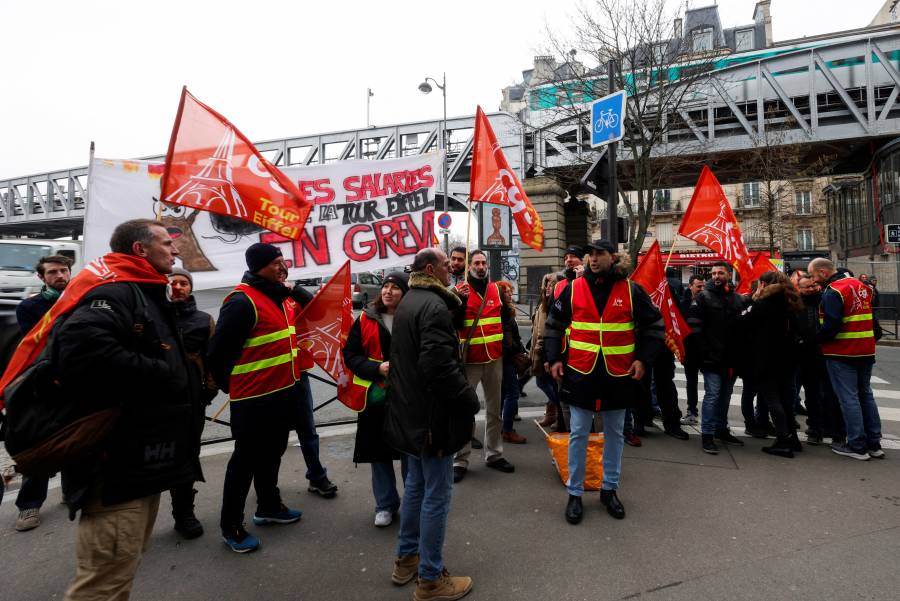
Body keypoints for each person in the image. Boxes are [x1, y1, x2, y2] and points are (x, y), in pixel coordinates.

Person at [56, 219, 197, 601]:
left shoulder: (140, 290)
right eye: (167, 243)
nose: (176, 250)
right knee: (103, 584)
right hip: (116, 469)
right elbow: (80, 351)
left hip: (139, 464)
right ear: (140, 250)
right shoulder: (115, 292)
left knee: (121, 569)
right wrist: (163, 373)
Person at [544, 240, 665, 525]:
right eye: (590, 254)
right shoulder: (573, 289)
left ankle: (609, 490)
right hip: (581, 373)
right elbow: (554, 324)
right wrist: (555, 357)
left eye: (599, 254)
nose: (593, 259)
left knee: (615, 436)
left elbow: (654, 326)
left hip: (618, 375)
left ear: (613, 257)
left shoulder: (632, 291)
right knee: (578, 435)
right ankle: (574, 494)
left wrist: (643, 360)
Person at [384, 247, 479, 601]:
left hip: (411, 413)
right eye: (444, 264)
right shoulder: (434, 305)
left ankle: (407, 560)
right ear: (430, 268)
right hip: (432, 418)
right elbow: (438, 368)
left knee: (416, 489)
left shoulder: (411, 300)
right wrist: (468, 401)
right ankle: (430, 579)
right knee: (436, 496)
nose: (449, 270)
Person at [208, 243, 314, 553]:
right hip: (253, 401)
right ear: (259, 267)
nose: (284, 268)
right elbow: (217, 354)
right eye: (277, 264)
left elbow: (313, 308)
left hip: (282, 394)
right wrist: (236, 387)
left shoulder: (277, 296)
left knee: (273, 454)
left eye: (284, 262)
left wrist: (290, 287)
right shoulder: (242, 302)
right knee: (244, 463)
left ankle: (268, 506)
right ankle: (232, 527)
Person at [342, 272, 410, 528]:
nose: (388, 291)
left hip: (406, 398)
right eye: (385, 286)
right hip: (376, 398)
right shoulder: (365, 318)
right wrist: (376, 368)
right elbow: (350, 355)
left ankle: (412, 501)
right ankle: (385, 505)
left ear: (405, 293)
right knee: (379, 454)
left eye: (395, 287)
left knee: (408, 452)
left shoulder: (412, 317)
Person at [12, 254, 72, 532]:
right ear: (42, 277)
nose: (60, 276)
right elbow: (39, 345)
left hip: (75, 379)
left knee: (77, 437)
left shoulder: (81, 298)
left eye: (64, 270)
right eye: (53, 272)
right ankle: (29, 505)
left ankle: (72, 492)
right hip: (45, 384)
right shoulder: (30, 306)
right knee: (41, 443)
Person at [808, 258, 883, 461]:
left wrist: (814, 340)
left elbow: (832, 325)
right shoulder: (861, 286)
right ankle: (874, 443)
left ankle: (857, 445)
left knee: (848, 398)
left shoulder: (834, 291)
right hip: (866, 350)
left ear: (823, 272)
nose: (814, 281)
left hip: (842, 351)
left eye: (814, 276)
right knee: (866, 395)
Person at [452, 249, 514, 482]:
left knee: (494, 409)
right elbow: (453, 322)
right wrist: (460, 303)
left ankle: (494, 454)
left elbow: (505, 317)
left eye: (483, 262)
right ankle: (460, 459)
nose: (480, 266)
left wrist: (507, 344)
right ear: (469, 267)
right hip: (470, 360)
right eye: (476, 263)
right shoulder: (459, 291)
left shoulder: (495, 289)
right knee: (464, 411)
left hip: (494, 357)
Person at [167, 267, 218, 538]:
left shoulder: (203, 319)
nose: (178, 286)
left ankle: (184, 513)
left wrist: (209, 389)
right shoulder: (152, 315)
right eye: (173, 282)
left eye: (183, 282)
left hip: (190, 400)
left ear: (191, 287)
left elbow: (213, 356)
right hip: (157, 399)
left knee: (187, 455)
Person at [737, 271, 804, 457]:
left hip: (767, 359)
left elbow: (741, 322)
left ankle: (783, 440)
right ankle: (793, 439)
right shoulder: (791, 301)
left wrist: (753, 299)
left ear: (763, 284)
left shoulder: (763, 304)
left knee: (773, 400)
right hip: (788, 360)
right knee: (784, 401)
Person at [687, 261, 747, 455]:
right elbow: (695, 329)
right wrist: (705, 353)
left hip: (731, 358)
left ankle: (721, 429)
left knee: (725, 396)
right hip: (711, 358)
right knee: (713, 395)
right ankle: (707, 434)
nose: (716, 276)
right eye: (713, 273)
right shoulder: (703, 297)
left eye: (720, 273)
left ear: (729, 275)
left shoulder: (736, 298)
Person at [796, 274, 845, 445]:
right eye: (806, 287)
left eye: (813, 285)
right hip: (806, 356)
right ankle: (814, 429)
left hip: (828, 354)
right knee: (812, 395)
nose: (811, 289)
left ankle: (835, 430)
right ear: (799, 289)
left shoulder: (826, 299)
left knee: (831, 394)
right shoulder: (795, 305)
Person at [531, 273, 564, 431]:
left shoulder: (554, 303)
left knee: (545, 382)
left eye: (551, 284)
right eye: (546, 284)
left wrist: (546, 357)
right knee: (547, 383)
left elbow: (548, 332)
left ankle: (560, 413)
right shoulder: (544, 301)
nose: (547, 287)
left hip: (545, 350)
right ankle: (555, 413)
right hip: (541, 349)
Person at [497, 280, 527, 444]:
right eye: (507, 291)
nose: (510, 293)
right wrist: (517, 348)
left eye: (511, 291)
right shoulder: (503, 311)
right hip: (507, 358)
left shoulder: (506, 309)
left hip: (504, 357)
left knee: (503, 393)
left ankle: (501, 426)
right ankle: (507, 430)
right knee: (512, 393)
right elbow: (507, 339)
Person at [680, 274, 704, 425]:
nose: (701, 289)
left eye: (703, 286)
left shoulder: (708, 301)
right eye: (698, 286)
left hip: (706, 350)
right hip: (690, 350)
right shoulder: (684, 303)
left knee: (711, 386)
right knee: (692, 382)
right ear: (690, 286)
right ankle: (692, 412)